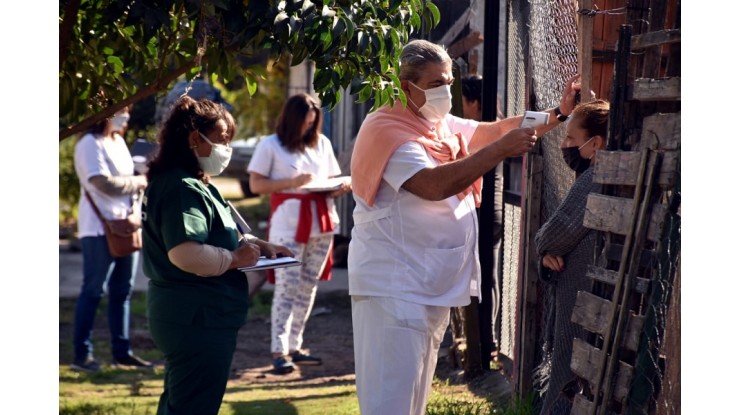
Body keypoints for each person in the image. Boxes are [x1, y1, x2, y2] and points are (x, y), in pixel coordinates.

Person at [348, 38, 582, 415]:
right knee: (388, 404)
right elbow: (434, 185)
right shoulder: (388, 131)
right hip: (393, 290)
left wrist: (557, 113)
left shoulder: (434, 123)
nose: (446, 91)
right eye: (436, 83)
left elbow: (494, 129)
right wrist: (501, 151)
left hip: (424, 286)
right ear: (406, 87)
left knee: (411, 404)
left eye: (448, 82)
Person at [141, 96, 293, 415]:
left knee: (181, 402)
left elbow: (221, 227)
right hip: (196, 317)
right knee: (193, 406)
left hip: (195, 315)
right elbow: (186, 253)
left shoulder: (192, 180)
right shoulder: (181, 186)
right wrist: (235, 260)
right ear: (195, 138)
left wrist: (258, 245)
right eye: (223, 139)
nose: (227, 148)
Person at [247, 93, 352, 374]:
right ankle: (278, 350)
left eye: (312, 124)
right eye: (305, 123)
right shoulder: (271, 145)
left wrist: (337, 188)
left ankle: (295, 345)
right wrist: (292, 182)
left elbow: (328, 179)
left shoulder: (321, 144)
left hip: (322, 222)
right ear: (292, 120)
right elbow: (256, 185)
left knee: (308, 286)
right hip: (288, 224)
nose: (308, 128)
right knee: (287, 285)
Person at [534, 99, 609, 415]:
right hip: (589, 300)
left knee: (565, 383)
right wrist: (547, 258)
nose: (563, 145)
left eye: (571, 139)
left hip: (582, 306)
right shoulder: (590, 179)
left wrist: (543, 246)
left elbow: (553, 234)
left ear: (596, 144)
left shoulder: (594, 180)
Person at [72, 106, 152, 372]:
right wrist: (140, 181)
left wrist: (137, 187)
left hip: (126, 225)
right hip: (98, 228)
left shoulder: (117, 141)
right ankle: (82, 355)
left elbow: (127, 180)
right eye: (121, 110)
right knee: (93, 290)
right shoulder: (88, 144)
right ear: (104, 113)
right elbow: (102, 182)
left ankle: (122, 352)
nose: (126, 116)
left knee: (123, 291)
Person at [461, 74, 505, 368]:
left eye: (462, 101)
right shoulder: (494, 129)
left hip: (483, 210)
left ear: (474, 103)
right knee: (486, 275)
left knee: (482, 276)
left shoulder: (481, 133)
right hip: (492, 209)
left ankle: (486, 343)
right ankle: (486, 341)